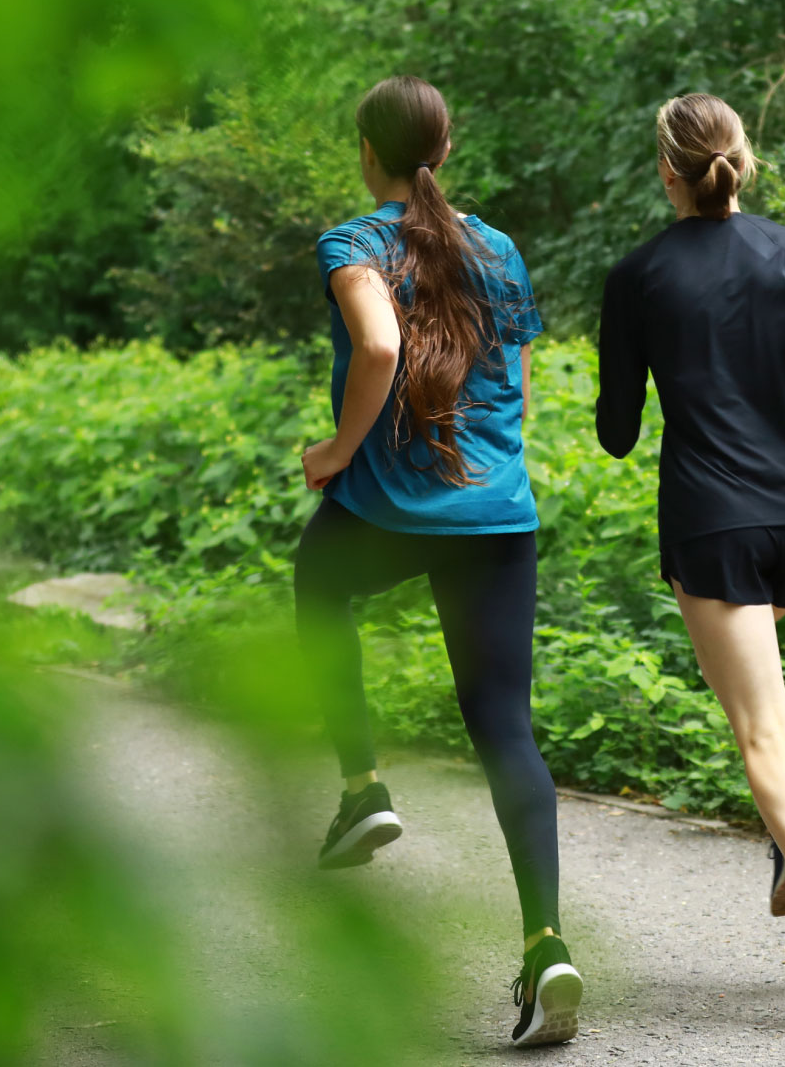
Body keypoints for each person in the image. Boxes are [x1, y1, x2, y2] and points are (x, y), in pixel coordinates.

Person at [292, 75, 580, 1045]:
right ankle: (547, 948)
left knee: (316, 582)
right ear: (443, 150)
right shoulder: (496, 249)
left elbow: (375, 346)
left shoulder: (355, 242)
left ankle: (362, 787)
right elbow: (519, 394)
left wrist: (335, 452)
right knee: (505, 728)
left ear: (365, 150)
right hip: (495, 514)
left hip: (386, 510)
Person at [596, 93, 785, 1021]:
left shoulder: (637, 274)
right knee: (766, 715)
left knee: (761, 736)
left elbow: (615, 434)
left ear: (665, 172)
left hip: (714, 526)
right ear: (742, 161)